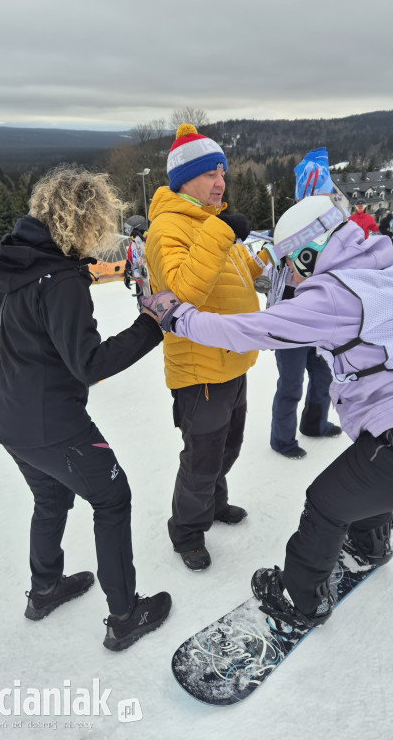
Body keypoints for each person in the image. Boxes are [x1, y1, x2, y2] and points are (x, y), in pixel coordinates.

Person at [142, 194, 393, 629]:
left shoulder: (334, 296)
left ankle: (300, 599)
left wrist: (179, 318)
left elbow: (246, 331)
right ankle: (370, 543)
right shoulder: (385, 266)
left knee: (326, 503)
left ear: (310, 254)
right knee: (368, 467)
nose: (286, 273)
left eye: (290, 261)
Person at [0, 166, 171, 651]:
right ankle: (126, 615)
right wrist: (151, 325)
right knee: (112, 499)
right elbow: (88, 362)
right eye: (98, 222)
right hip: (53, 424)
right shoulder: (60, 279)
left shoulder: (18, 264)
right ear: (83, 220)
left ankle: (45, 588)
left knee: (51, 500)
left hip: (11, 419)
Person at [144, 123, 267, 571]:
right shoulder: (168, 229)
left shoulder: (210, 223)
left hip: (232, 362)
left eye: (223, 173)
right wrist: (221, 236)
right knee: (202, 457)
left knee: (228, 447)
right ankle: (187, 531)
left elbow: (233, 277)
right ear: (184, 182)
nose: (221, 183)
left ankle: (215, 505)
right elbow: (182, 291)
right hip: (199, 370)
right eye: (211, 174)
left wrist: (269, 259)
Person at [267, 266, 341, 460]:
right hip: (288, 324)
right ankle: (282, 440)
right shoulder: (284, 250)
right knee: (291, 385)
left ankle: (314, 424)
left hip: (318, 323)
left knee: (324, 377)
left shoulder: (325, 245)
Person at [123, 215, 148, 302]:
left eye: (130, 231)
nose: (129, 234)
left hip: (150, 283)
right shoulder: (132, 244)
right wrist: (127, 271)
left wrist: (142, 241)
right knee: (142, 307)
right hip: (139, 282)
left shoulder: (149, 239)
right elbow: (130, 259)